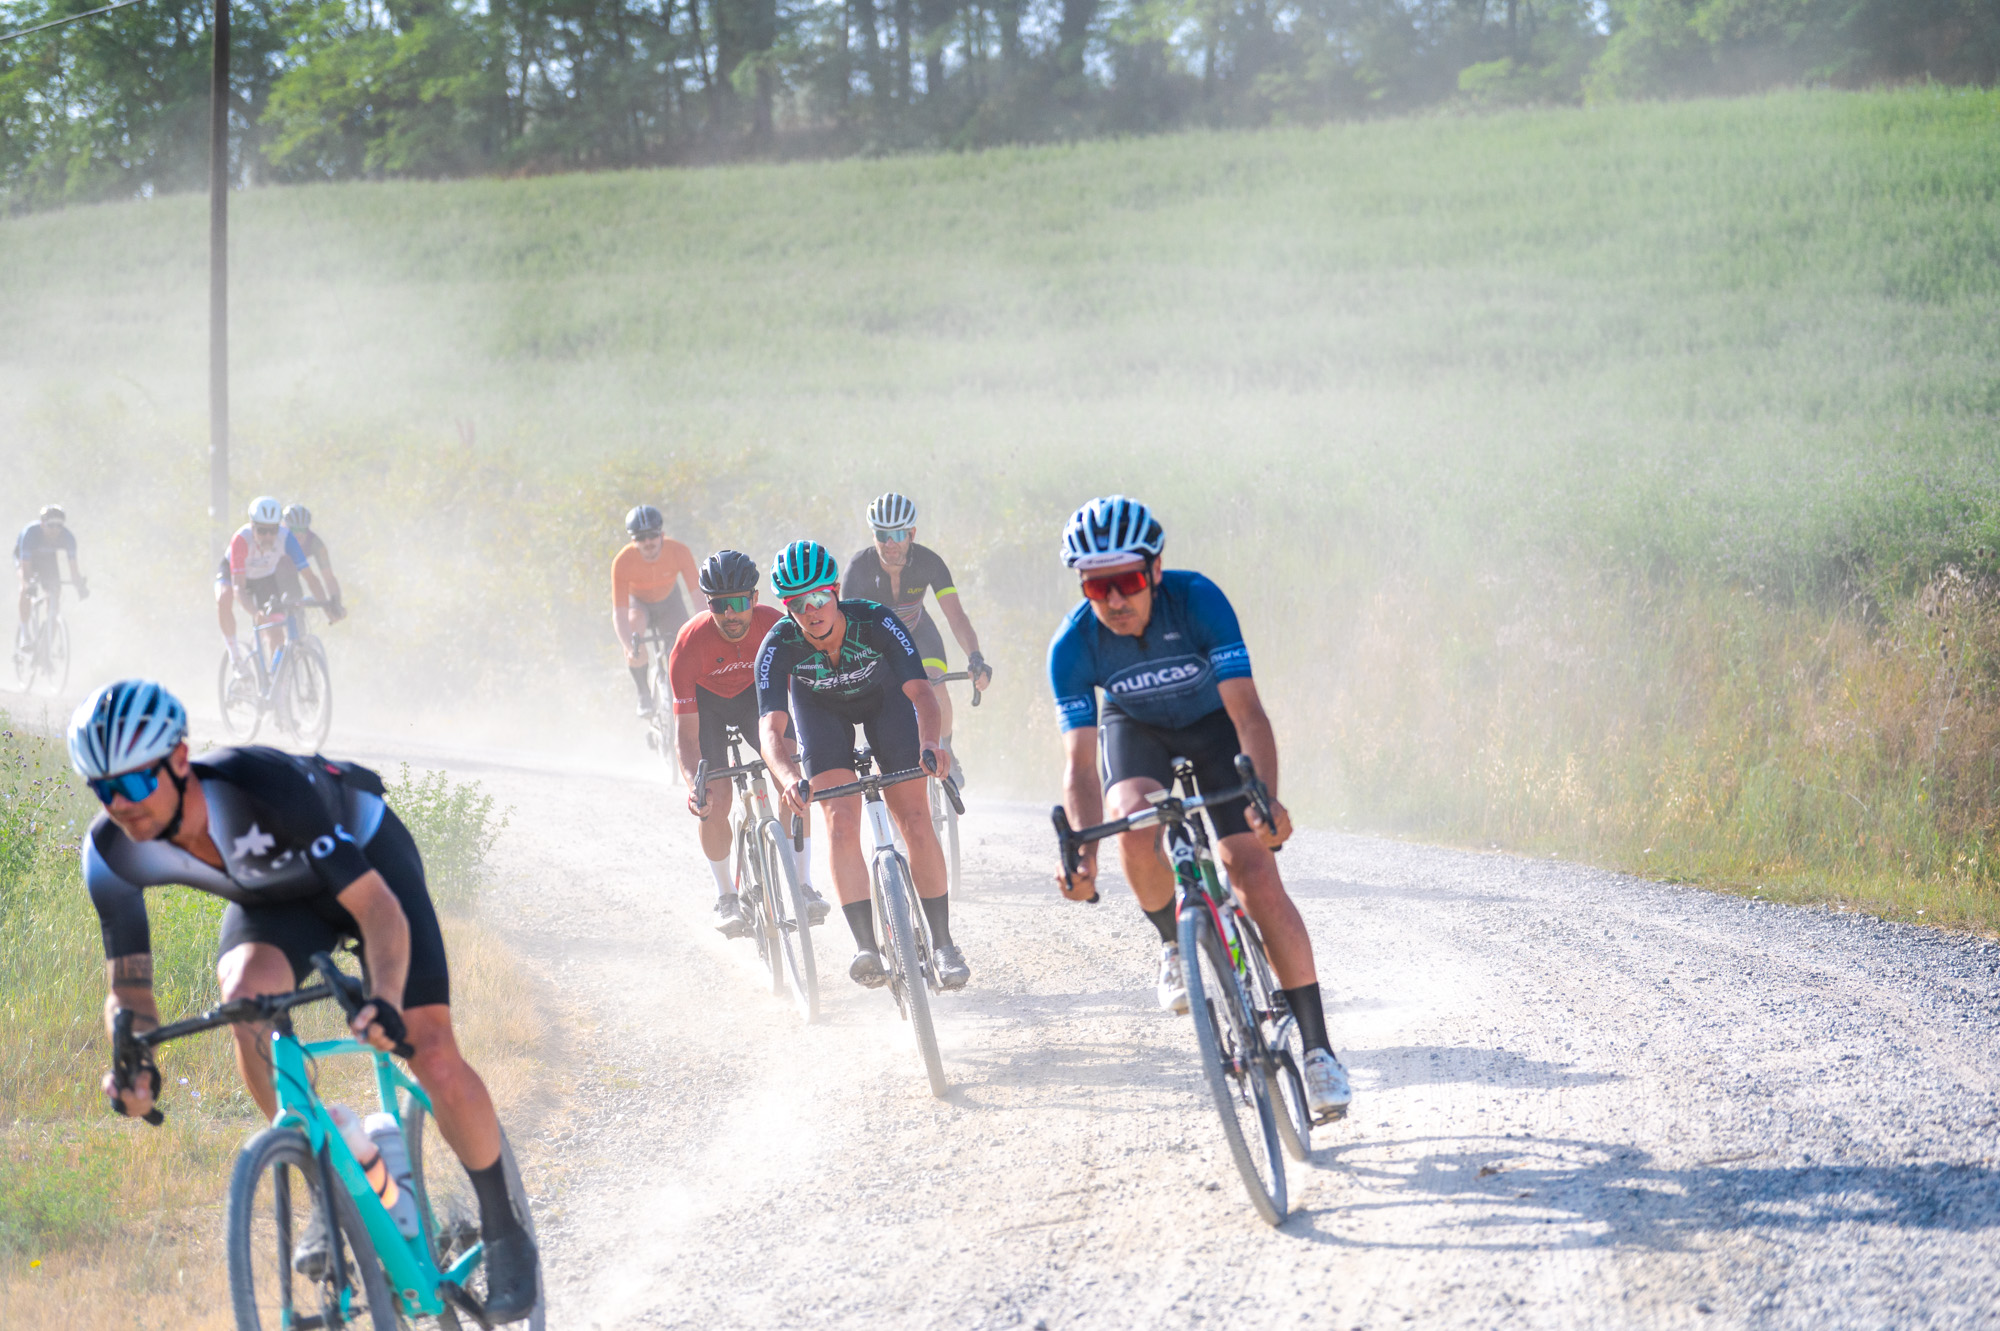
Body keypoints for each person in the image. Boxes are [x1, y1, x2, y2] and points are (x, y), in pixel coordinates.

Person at [69, 680, 538, 1320]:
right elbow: (129, 988)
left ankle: (505, 1229)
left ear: (179, 759)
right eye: (103, 788)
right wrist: (133, 1058)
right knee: (243, 1000)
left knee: (428, 1049)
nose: (119, 803)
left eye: (132, 783)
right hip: (276, 904)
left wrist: (386, 1000)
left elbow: (376, 911)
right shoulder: (109, 855)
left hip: (370, 868)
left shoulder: (258, 787)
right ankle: (331, 1182)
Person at [1046, 495, 1351, 1122]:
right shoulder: (1072, 645)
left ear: (1155, 570)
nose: (1113, 601)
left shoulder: (1199, 601)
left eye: (1126, 581)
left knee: (1253, 870)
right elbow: (1079, 767)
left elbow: (1249, 715)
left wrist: (1265, 802)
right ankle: (1172, 943)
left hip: (1214, 728)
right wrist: (1082, 853)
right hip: (1136, 732)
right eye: (1095, 586)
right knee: (1134, 822)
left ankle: (1319, 1051)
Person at [754, 541, 970, 990]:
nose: (812, 610)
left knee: (913, 818)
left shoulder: (876, 619)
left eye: (819, 597)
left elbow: (923, 694)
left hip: (885, 704)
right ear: (786, 608)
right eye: (798, 603)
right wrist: (790, 777)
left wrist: (931, 743)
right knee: (839, 821)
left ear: (835, 591)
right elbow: (771, 731)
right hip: (820, 714)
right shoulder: (777, 645)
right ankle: (866, 947)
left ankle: (945, 943)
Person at [669, 549, 829, 935]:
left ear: (755, 600)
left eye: (739, 603)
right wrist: (695, 788)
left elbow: (805, 694)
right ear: (708, 605)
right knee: (716, 800)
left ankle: (803, 884)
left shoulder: (776, 625)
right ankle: (726, 893)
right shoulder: (689, 645)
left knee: (792, 783)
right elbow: (687, 738)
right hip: (707, 707)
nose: (730, 615)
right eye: (720, 605)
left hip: (755, 700)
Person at [842, 492, 991, 778]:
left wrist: (975, 656)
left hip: (918, 633)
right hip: (877, 644)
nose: (890, 543)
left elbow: (956, 617)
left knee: (935, 686)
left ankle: (946, 749)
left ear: (912, 533)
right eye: (882, 534)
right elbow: (847, 627)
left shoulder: (929, 562)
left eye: (898, 533)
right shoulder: (859, 568)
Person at [611, 505, 701, 717]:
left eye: (652, 536)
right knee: (634, 633)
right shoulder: (622, 562)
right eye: (641, 538)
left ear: (662, 534)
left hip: (670, 601)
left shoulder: (679, 551)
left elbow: (698, 596)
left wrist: (705, 628)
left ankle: (688, 693)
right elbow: (620, 612)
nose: (648, 542)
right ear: (633, 540)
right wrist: (629, 646)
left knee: (684, 647)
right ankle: (643, 691)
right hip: (639, 604)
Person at [220, 496, 328, 656]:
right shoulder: (241, 539)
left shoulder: (286, 538)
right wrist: (255, 612)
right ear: (252, 526)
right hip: (235, 574)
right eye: (262, 531)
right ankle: (235, 656)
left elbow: (310, 577)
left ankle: (276, 678)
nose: (268, 536)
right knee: (223, 597)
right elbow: (238, 587)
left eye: (273, 530)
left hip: (264, 579)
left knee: (276, 632)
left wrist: (326, 605)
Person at [15, 503, 87, 639]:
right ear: (42, 524)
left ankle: (47, 645)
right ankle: (25, 635)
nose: (55, 529)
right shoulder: (30, 533)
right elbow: (25, 570)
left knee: (55, 592)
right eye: (51, 525)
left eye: (59, 525)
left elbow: (74, 570)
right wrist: (29, 584)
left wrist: (80, 586)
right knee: (25, 589)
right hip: (25, 558)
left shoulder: (68, 537)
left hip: (47, 559)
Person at [275, 504, 347, 623]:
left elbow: (328, 578)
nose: (299, 534)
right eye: (293, 529)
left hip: (292, 576)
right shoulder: (275, 538)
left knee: (298, 615)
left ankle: (298, 638)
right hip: (271, 575)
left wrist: (335, 605)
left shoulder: (315, 543)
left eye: (303, 529)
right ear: (284, 526)